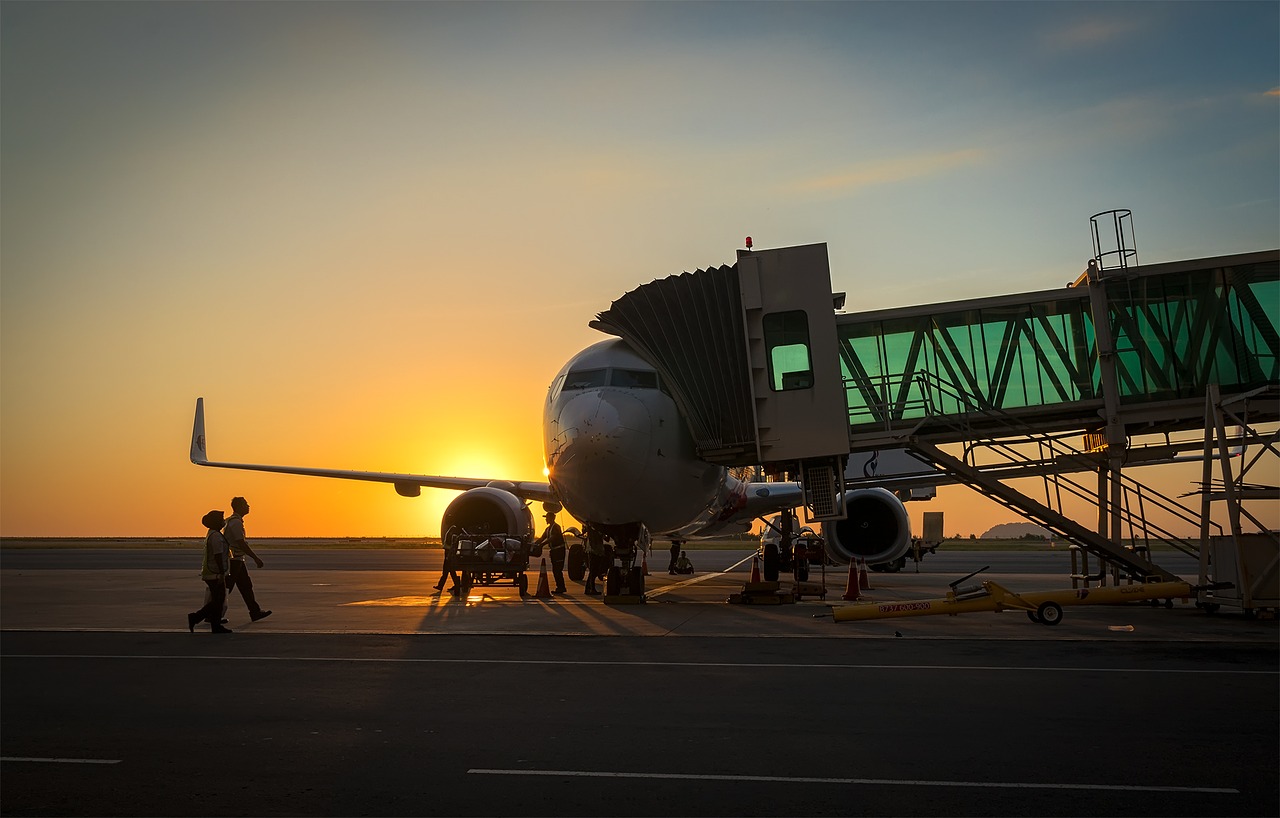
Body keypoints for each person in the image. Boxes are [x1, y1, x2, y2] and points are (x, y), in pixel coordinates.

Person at [224, 497, 272, 622]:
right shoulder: (236, 523)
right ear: (239, 506)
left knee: (245, 586)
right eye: (246, 504)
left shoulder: (234, 521)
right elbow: (241, 543)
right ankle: (209, 614)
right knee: (227, 588)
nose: (248, 506)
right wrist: (255, 558)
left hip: (238, 560)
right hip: (234, 560)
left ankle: (254, 612)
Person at [188, 510, 233, 634]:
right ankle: (198, 618)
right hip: (215, 573)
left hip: (212, 572)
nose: (223, 521)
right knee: (218, 600)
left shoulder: (212, 534)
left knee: (217, 600)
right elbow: (218, 556)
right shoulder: (216, 537)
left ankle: (214, 624)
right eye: (221, 519)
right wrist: (222, 574)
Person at [536, 513, 567, 594]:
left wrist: (542, 544)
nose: (546, 519)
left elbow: (552, 538)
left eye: (547, 517)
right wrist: (535, 544)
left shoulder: (556, 527)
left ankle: (561, 587)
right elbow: (542, 538)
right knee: (555, 570)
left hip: (559, 551)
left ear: (552, 518)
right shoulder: (548, 529)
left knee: (557, 570)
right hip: (554, 551)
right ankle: (560, 587)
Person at [435, 526, 461, 594]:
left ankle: (441, 586)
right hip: (449, 556)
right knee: (451, 572)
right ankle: (454, 585)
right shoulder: (454, 537)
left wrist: (448, 557)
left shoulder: (451, 538)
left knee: (446, 572)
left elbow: (449, 547)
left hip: (448, 556)